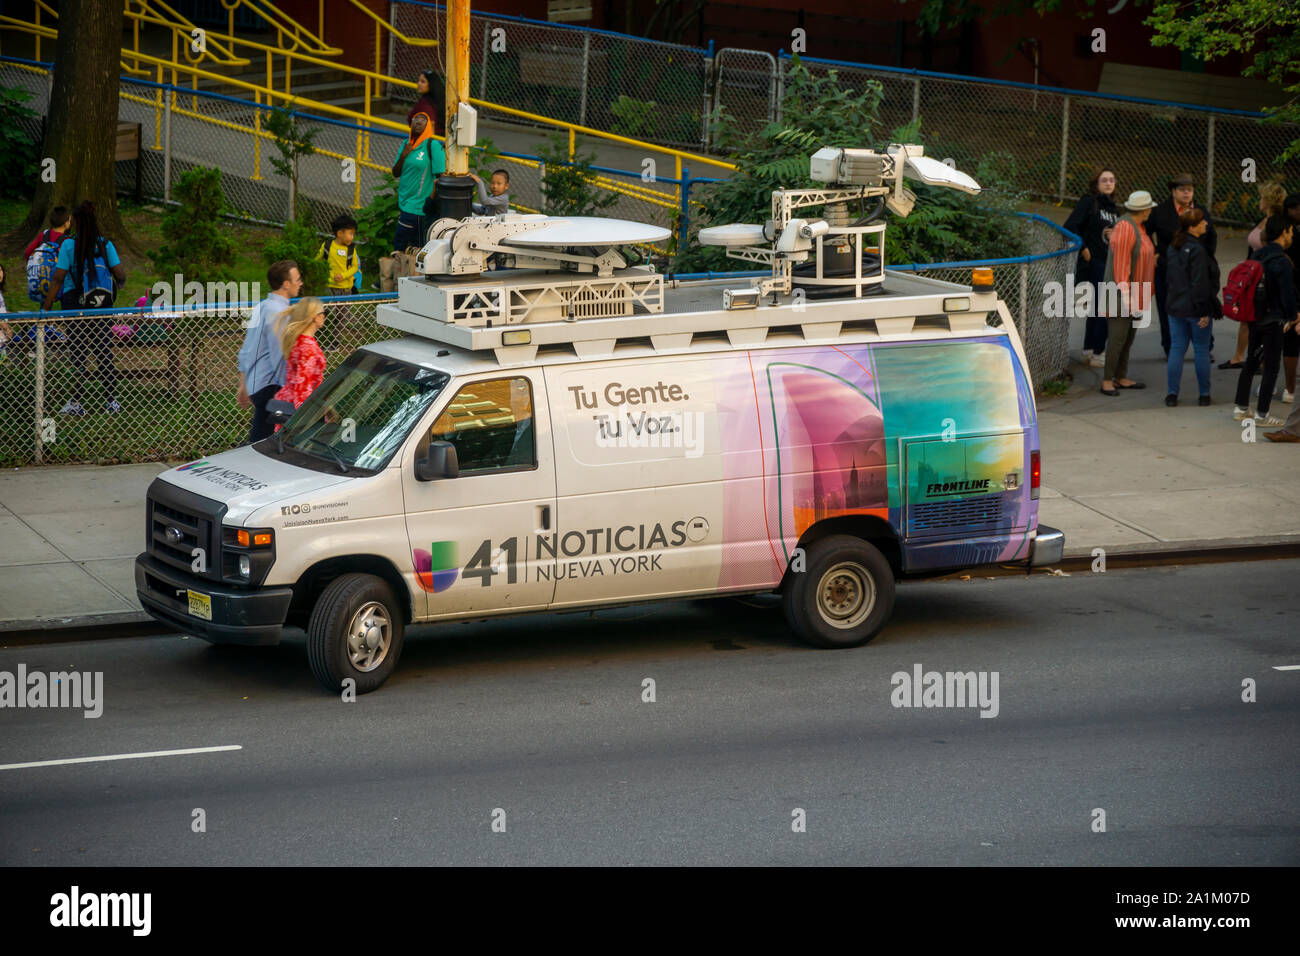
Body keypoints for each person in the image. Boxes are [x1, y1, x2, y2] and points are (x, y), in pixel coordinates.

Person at [41, 201, 128, 415]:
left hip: (74, 305)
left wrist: (46, 307)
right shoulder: (105, 245)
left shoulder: (69, 246)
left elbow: (59, 278)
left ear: (77, 223)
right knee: (103, 352)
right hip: (101, 307)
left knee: (78, 353)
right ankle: (111, 401)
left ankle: (77, 402)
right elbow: (121, 276)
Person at [1146, 173, 1218, 359]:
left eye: (1190, 190)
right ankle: (1171, 347)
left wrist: (1206, 257)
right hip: (1168, 268)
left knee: (1201, 304)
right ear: (1173, 191)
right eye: (1183, 190)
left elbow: (1212, 236)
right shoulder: (1160, 211)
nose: (1187, 193)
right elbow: (1145, 232)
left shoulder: (1201, 212)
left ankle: (1204, 346)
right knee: (1167, 306)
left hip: (1197, 268)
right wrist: (1154, 252)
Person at [1233, 215, 1295, 426]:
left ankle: (1241, 408)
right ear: (1284, 232)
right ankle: (1262, 414)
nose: (1292, 236)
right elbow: (1287, 295)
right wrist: (1293, 316)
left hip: (1255, 316)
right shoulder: (1281, 261)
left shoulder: (1257, 255)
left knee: (1251, 360)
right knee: (1271, 367)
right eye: (1291, 232)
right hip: (1273, 318)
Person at [1221, 182, 1287, 370]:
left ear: (1268, 200)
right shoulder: (1261, 219)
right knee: (1245, 314)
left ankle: (1264, 361)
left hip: (1265, 275)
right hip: (1251, 273)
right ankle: (1238, 356)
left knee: (1262, 318)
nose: (1259, 201)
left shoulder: (1277, 223)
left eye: (1261, 198)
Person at [237, 260, 303, 443]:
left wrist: (244, 383)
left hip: (257, 383)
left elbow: (247, 348)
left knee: (261, 438)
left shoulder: (262, 306)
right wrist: (289, 388)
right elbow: (280, 354)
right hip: (271, 385)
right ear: (286, 284)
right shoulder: (280, 313)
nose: (301, 283)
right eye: (297, 279)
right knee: (264, 444)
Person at [1100, 190, 1157, 396]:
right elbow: (1121, 267)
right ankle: (1107, 380)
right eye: (1149, 207)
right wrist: (1127, 298)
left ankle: (1120, 376)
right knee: (1117, 338)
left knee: (1128, 338)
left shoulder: (1139, 226)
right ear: (1144, 210)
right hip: (1122, 294)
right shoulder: (1125, 227)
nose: (1151, 211)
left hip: (1137, 293)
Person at [1063, 168, 1121, 368]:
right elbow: (1070, 225)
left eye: (1111, 180)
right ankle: (1098, 352)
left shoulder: (1113, 208)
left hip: (1110, 261)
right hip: (1095, 261)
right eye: (1104, 180)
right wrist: (1083, 247)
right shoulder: (1089, 201)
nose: (1108, 183)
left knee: (1098, 308)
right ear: (1096, 183)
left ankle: (1089, 350)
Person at [1164, 209, 1218, 406]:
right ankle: (1204, 394)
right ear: (1193, 227)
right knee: (1202, 350)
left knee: (1177, 349)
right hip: (1195, 308)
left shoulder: (1173, 246)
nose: (1206, 224)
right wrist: (1204, 310)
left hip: (1175, 306)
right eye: (1203, 222)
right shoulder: (1197, 250)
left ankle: (1172, 394)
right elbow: (1199, 282)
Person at [392, 111, 445, 253]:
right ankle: (406, 273)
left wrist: (432, 201)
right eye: (416, 119)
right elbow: (395, 173)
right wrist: (403, 155)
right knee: (414, 249)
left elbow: (441, 176)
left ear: (428, 126)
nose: (419, 122)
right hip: (404, 202)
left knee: (399, 246)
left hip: (420, 207)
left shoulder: (432, 145)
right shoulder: (406, 144)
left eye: (423, 120)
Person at [273, 297, 327, 412]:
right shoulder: (308, 348)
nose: (324, 316)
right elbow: (303, 388)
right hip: (299, 410)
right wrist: (305, 418)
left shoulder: (298, 340)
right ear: (315, 317)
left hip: (287, 401)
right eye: (323, 312)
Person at [1279, 194, 1300, 404]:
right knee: (1291, 341)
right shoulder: (1289, 232)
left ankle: (1286, 386)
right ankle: (1290, 387)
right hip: (1291, 292)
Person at [318, 214, 361, 297]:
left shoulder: (351, 250)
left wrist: (343, 276)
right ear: (340, 233)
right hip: (329, 287)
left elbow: (355, 267)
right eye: (350, 234)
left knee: (344, 309)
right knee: (330, 309)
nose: (352, 237)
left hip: (346, 288)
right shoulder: (327, 246)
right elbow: (317, 260)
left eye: (353, 234)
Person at [407, 69, 445, 133]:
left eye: (423, 82)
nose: (419, 83)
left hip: (427, 140)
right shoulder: (440, 99)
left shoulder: (426, 104)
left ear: (431, 84)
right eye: (418, 81)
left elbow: (430, 126)